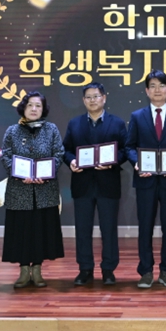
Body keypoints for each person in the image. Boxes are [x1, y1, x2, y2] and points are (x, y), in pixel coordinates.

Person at [125, 70, 166, 289]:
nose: (157, 90)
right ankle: (145, 271)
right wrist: (137, 164)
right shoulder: (137, 116)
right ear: (146, 91)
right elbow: (129, 146)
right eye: (152, 86)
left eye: (162, 86)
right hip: (145, 181)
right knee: (145, 227)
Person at [63, 83, 128, 286]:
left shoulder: (117, 123)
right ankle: (85, 269)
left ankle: (108, 269)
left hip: (108, 183)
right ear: (83, 101)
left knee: (109, 229)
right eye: (88, 97)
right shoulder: (74, 124)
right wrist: (71, 161)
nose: (93, 100)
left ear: (104, 98)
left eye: (96, 96)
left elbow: (126, 150)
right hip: (82, 184)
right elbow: (66, 150)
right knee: (83, 229)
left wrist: (113, 161)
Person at [1, 91, 65, 288]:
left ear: (43, 109)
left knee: (40, 230)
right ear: (23, 108)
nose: (34, 109)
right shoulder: (12, 131)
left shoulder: (51, 129)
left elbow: (59, 154)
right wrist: (20, 174)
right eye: (30, 105)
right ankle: (23, 270)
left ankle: (37, 269)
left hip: (44, 190)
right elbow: (6, 156)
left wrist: (46, 173)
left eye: (38, 105)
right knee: (21, 230)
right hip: (19, 190)